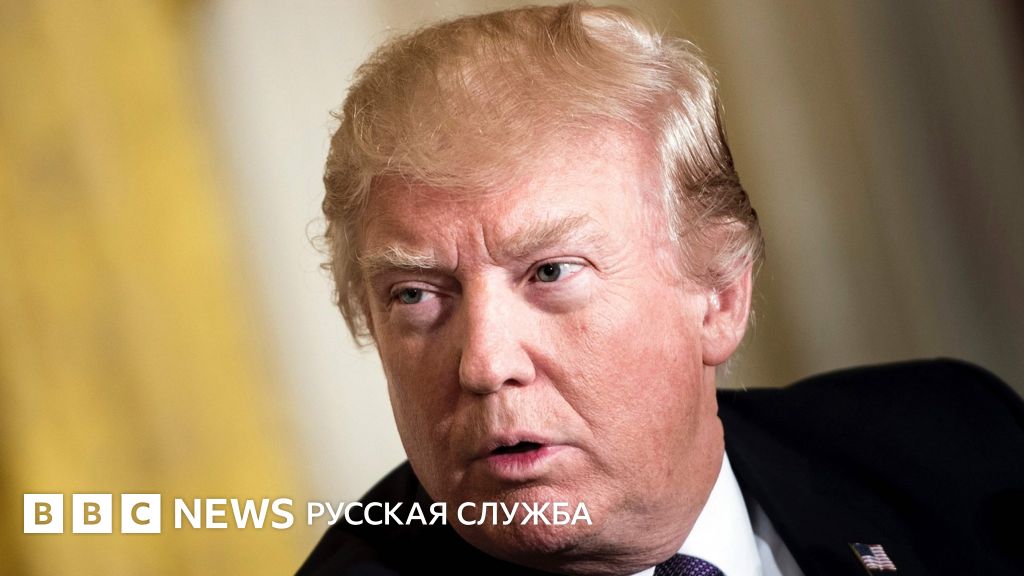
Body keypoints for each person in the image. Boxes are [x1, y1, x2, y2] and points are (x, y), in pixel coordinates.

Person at [298, 3, 1024, 575]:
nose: (484, 364)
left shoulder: (963, 447)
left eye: (550, 272)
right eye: (416, 295)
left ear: (720, 296)